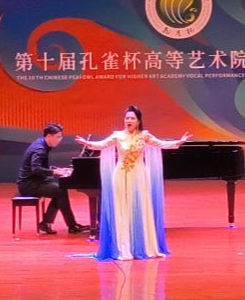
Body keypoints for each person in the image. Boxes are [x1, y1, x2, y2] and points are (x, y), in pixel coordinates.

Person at [75, 106, 192, 261]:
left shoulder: (144, 136)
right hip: (121, 175)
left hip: (139, 175)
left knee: (140, 207)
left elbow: (161, 144)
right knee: (122, 209)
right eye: (127, 118)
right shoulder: (118, 135)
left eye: (132, 118)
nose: (128, 121)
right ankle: (124, 248)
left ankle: (143, 246)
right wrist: (86, 142)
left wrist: (179, 141)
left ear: (138, 121)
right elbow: (102, 144)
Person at [17, 123, 91, 235]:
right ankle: (71, 226)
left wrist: (58, 169)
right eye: (58, 137)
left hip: (36, 180)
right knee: (60, 191)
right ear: (49, 136)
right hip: (28, 184)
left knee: (59, 190)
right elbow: (35, 169)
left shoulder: (42, 143)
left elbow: (41, 167)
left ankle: (48, 223)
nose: (60, 139)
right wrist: (55, 172)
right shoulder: (40, 149)